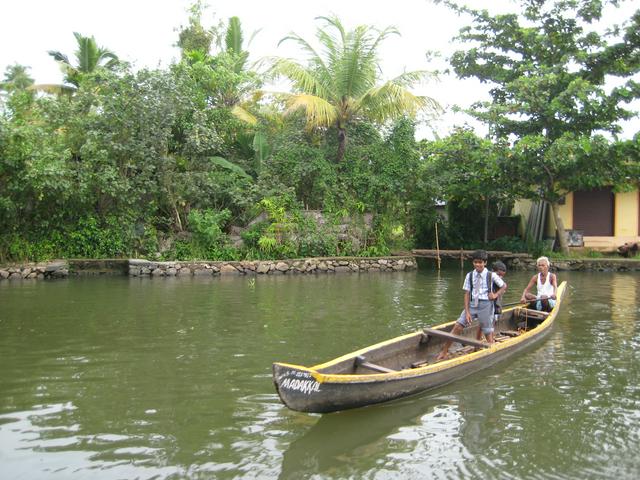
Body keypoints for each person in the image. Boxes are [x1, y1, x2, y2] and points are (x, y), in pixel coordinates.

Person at [437, 250, 506, 361]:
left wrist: (495, 295)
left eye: (480, 262)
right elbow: (467, 294)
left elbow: (503, 286)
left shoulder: (491, 275)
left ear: (485, 262)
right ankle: (444, 352)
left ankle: (492, 356)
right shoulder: (470, 275)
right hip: (473, 304)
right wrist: (468, 311)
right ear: (473, 263)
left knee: (488, 332)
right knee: (457, 326)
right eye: (475, 262)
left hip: (486, 305)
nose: (478, 264)